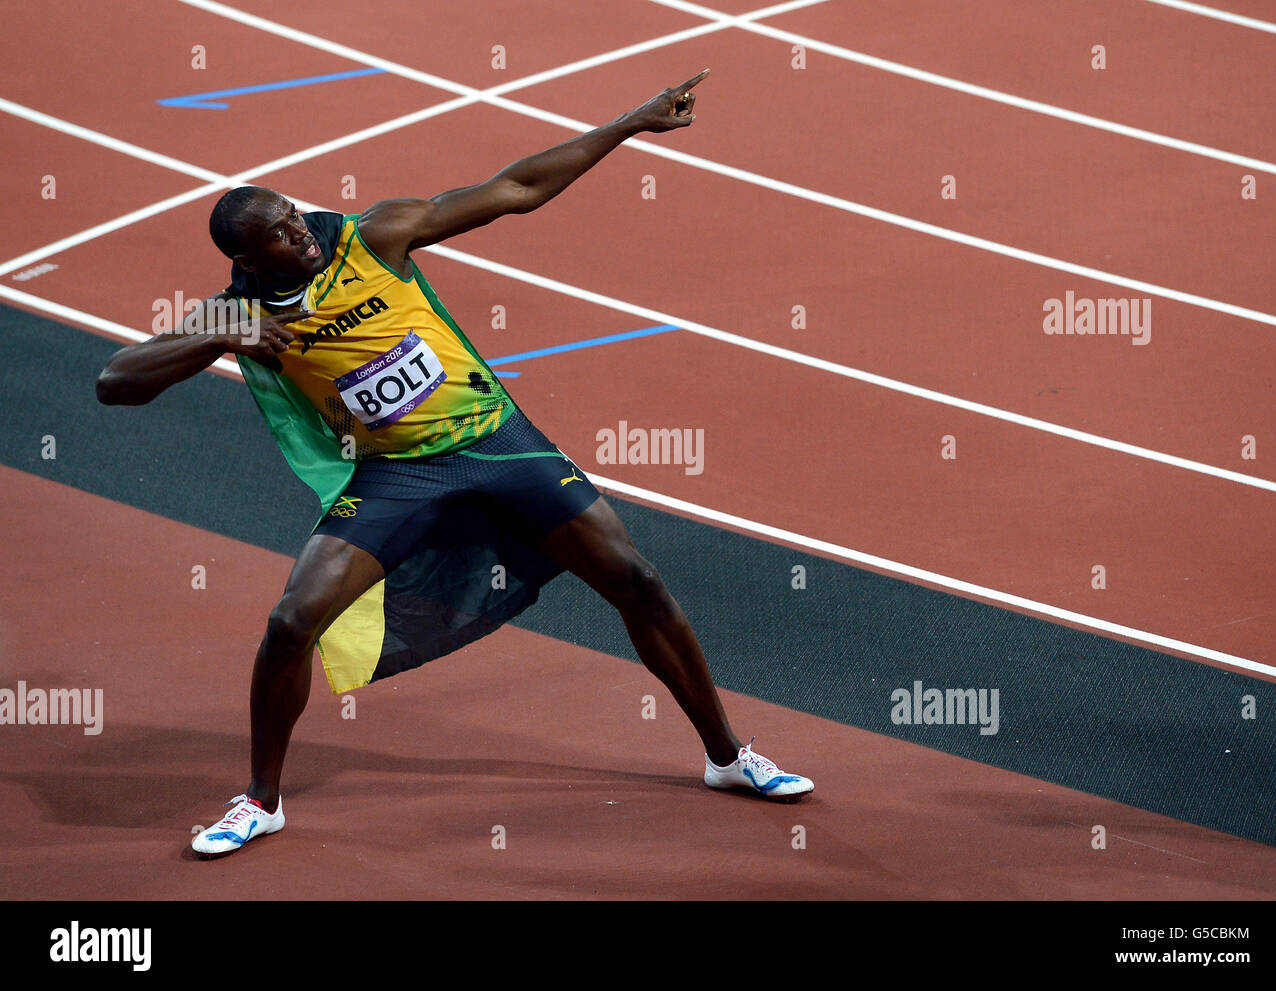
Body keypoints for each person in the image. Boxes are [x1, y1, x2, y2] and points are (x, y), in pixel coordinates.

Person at [96, 70, 812, 858]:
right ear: (247, 254)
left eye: (295, 216)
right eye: (280, 231)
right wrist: (218, 339)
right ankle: (261, 800)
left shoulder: (374, 236)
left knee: (635, 579)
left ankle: (728, 756)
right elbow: (115, 382)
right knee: (291, 619)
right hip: (397, 473)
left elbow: (516, 188)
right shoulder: (239, 313)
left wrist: (629, 124)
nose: (300, 229)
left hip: (496, 440)